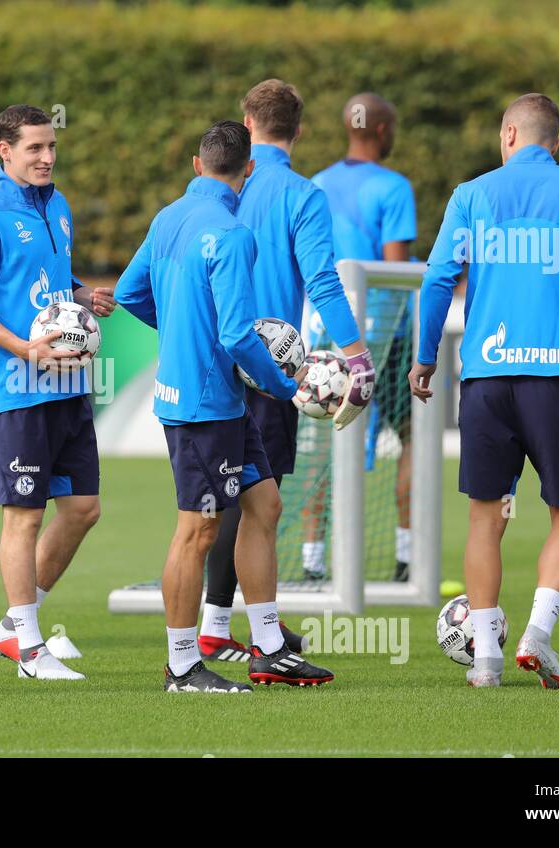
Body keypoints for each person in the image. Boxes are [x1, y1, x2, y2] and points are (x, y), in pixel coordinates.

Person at [410, 93, 559, 689]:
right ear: (557, 143)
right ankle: (537, 637)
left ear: (509, 133)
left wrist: (422, 357)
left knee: (484, 517)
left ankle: (486, 660)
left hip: (487, 377)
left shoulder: (471, 195)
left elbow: (438, 277)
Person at [117, 120, 334, 693]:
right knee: (198, 532)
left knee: (264, 506)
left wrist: (185, 333)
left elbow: (126, 294)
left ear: (196, 165)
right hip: (206, 406)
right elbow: (240, 336)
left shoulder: (167, 219)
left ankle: (267, 648)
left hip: (211, 401)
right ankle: (182, 665)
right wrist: (288, 387)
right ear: (250, 171)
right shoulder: (234, 234)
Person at [195, 79, 374, 662]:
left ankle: (234, 626)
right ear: (299, 131)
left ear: (246, 124)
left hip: (216, 362)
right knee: (256, 502)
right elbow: (323, 280)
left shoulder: (215, 186)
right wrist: (356, 355)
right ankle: (228, 630)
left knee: (231, 499)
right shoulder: (304, 193)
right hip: (272, 369)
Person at [0, 104, 113, 681]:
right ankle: (30, 648)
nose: (46, 158)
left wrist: (83, 294)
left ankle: (15, 626)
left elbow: (48, 278)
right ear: (5, 151)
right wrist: (22, 347)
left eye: (51, 147)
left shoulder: (58, 206)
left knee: (84, 509)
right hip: (14, 390)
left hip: (67, 386)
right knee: (23, 518)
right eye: (34, 149)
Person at [312, 92, 417, 583]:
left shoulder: (314, 185)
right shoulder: (394, 187)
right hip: (382, 333)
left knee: (319, 442)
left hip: (323, 327)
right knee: (414, 437)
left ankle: (312, 561)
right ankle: (406, 556)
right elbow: (395, 270)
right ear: (381, 131)